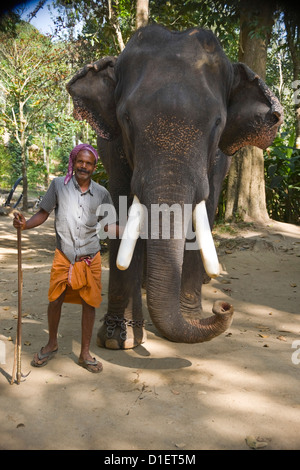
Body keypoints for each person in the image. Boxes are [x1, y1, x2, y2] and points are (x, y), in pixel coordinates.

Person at [13, 143, 118, 373]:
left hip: (90, 257)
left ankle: (85, 353)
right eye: (80, 161)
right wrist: (25, 225)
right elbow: (43, 213)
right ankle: (51, 344)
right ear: (74, 161)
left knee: (89, 304)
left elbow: (109, 227)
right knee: (55, 300)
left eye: (89, 163)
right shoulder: (59, 185)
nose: (84, 166)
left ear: (94, 166)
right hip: (64, 255)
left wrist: (132, 231)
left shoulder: (102, 193)